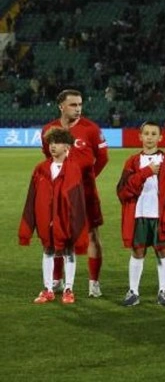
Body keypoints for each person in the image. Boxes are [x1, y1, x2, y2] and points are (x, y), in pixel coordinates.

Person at [41, 89, 108, 298]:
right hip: (59, 194)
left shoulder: (91, 129)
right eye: (73, 105)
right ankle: (57, 280)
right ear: (61, 106)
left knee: (92, 235)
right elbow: (48, 157)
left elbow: (103, 158)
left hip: (86, 193)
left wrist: (86, 179)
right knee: (57, 234)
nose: (78, 109)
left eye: (80, 104)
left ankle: (94, 282)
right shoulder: (49, 129)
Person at [116, 122, 165, 306]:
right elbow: (123, 191)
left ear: (160, 137)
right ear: (140, 136)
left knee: (163, 252)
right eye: (146, 133)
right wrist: (146, 172)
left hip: (161, 216)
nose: (149, 137)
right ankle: (133, 292)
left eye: (153, 134)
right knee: (137, 251)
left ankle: (163, 291)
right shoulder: (132, 161)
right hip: (138, 214)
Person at [20, 128, 88, 304]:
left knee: (68, 251)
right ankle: (48, 289)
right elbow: (32, 197)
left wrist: (76, 224)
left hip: (66, 220)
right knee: (48, 250)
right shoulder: (41, 169)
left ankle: (68, 289)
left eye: (57, 142)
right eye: (50, 142)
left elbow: (77, 199)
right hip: (45, 219)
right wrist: (28, 226)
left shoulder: (74, 169)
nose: (52, 146)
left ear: (67, 146)